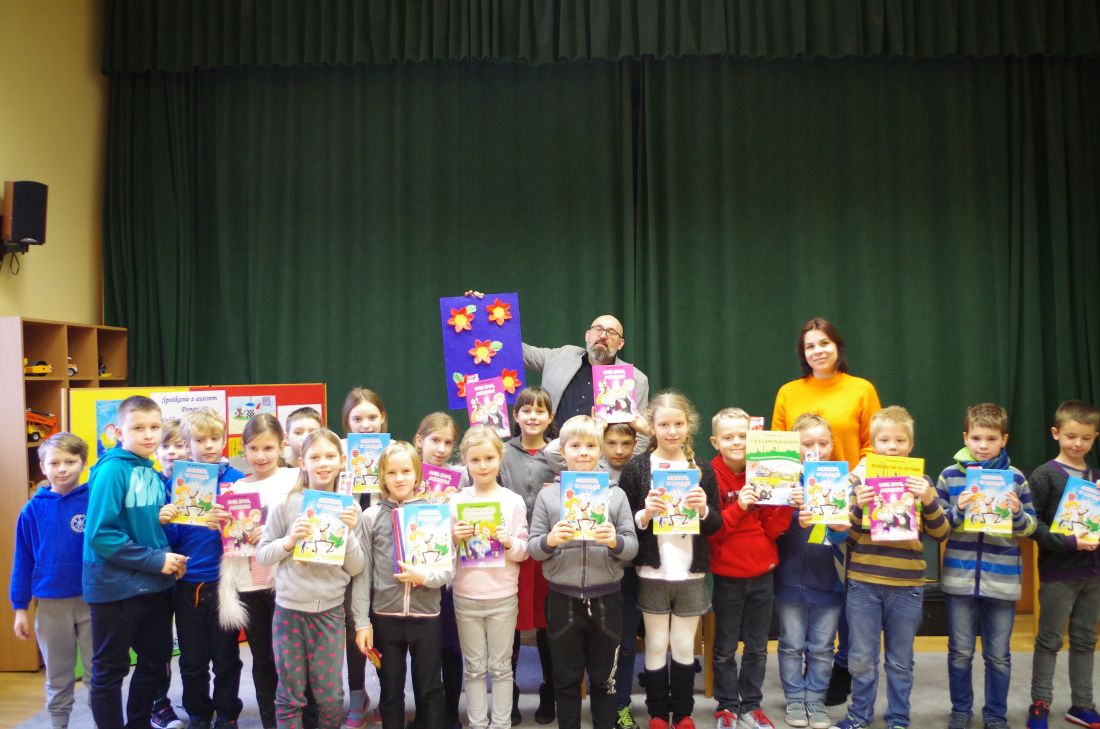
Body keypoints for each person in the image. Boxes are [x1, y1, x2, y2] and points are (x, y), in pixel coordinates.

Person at [772, 317, 881, 706]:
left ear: (837, 346)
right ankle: (808, 670)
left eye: (824, 343)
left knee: (848, 588)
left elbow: (874, 444)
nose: (817, 351)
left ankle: (843, 665)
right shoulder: (789, 392)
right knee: (809, 577)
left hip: (849, 497)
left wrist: (845, 484)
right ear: (802, 353)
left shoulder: (861, 389)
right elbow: (778, 449)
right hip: (800, 501)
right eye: (810, 346)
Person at [830, 406, 949, 729]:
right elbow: (848, 539)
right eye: (884, 441)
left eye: (900, 441)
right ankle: (859, 715)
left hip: (906, 585)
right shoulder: (861, 485)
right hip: (863, 582)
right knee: (861, 658)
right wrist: (858, 507)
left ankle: (898, 717)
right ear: (873, 445)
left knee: (900, 660)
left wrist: (928, 499)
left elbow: (941, 533)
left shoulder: (923, 483)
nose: (892, 447)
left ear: (910, 445)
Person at [83, 395, 188, 729]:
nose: (148, 434)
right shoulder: (112, 470)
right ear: (118, 432)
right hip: (116, 590)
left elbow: (141, 528)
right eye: (138, 428)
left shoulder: (152, 473)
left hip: (154, 586)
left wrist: (169, 556)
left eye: (155, 427)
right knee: (110, 670)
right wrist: (157, 559)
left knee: (155, 662)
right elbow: (100, 535)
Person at [619, 391, 722, 729]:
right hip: (653, 572)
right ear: (651, 427)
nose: (672, 431)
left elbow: (715, 524)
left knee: (682, 645)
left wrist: (702, 509)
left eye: (678, 424)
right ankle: (658, 714)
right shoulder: (637, 468)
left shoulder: (701, 469)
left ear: (689, 425)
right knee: (656, 643)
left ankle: (684, 713)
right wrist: (646, 513)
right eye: (664, 424)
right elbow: (625, 523)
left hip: (691, 574)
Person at [528, 415, 639, 729]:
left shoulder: (616, 495)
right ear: (562, 451)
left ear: (600, 450)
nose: (583, 452)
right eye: (575, 446)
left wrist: (614, 541)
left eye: (591, 445)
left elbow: (632, 547)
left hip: (607, 600)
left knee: (605, 681)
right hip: (562, 600)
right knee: (566, 680)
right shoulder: (549, 496)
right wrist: (551, 540)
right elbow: (534, 548)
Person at [935, 403, 1036, 729]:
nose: (982, 446)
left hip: (1002, 580)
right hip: (959, 579)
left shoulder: (1016, 478)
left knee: (999, 655)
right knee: (960, 652)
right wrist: (959, 510)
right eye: (976, 438)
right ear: (965, 437)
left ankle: (995, 715)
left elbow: (1030, 527)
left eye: (991, 439)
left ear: (1003, 440)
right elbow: (937, 527)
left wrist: (1017, 513)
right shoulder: (949, 476)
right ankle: (961, 712)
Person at [256, 428, 364, 728]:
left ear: (342, 461)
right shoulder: (286, 503)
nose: (323, 463)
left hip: (330, 614)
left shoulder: (350, 508)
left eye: (330, 456)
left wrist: (349, 533)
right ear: (302, 462)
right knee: (290, 696)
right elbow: (263, 555)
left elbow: (356, 567)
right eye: (315, 457)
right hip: (289, 612)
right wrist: (290, 540)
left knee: (331, 698)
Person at [209, 413, 304, 729]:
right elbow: (231, 537)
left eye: (268, 448)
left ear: (282, 445)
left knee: (293, 659)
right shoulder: (235, 488)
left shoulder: (295, 479)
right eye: (253, 448)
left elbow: (305, 524)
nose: (261, 456)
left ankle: (304, 719)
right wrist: (218, 523)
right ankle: (271, 721)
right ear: (243, 449)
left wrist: (271, 531)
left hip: (287, 582)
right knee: (263, 658)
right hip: (249, 583)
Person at [352, 441, 453, 729]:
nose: (399, 478)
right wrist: (362, 622)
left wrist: (425, 577)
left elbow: (447, 570)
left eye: (406, 471)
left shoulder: (434, 514)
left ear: (417, 474)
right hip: (385, 618)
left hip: (426, 617)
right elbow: (363, 575)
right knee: (391, 691)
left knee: (430, 689)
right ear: (382, 476)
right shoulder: (371, 517)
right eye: (392, 472)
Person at [157, 407, 246, 729]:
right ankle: (198, 713)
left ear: (224, 440)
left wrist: (228, 524)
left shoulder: (237, 482)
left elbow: (248, 535)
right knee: (193, 660)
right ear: (187, 444)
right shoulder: (175, 484)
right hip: (188, 585)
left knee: (226, 658)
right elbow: (170, 542)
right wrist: (166, 521)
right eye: (200, 440)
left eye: (215, 438)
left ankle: (227, 713)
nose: (209, 445)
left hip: (226, 583)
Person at [707, 407, 793, 729]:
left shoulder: (764, 470)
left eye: (743, 436)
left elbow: (773, 529)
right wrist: (740, 506)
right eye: (728, 437)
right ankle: (727, 707)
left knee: (757, 648)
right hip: (727, 576)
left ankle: (751, 706)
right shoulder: (709, 475)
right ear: (715, 442)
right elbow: (713, 531)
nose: (737, 442)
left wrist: (786, 502)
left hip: (762, 573)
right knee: (725, 648)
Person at [1025, 400, 1100, 729]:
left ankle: (1082, 704)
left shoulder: (1096, 477)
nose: (1077, 443)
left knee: (1085, 640)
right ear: (1056, 433)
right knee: (1049, 640)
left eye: (1086, 438)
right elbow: (1033, 526)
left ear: (1094, 438)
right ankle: (1040, 703)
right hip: (1058, 574)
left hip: (1093, 574)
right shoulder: (1045, 476)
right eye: (1071, 436)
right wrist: (1069, 542)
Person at [10, 433, 93, 729]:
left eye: (70, 461)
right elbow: (23, 560)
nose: (62, 469)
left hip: (93, 600)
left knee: (99, 672)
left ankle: (102, 719)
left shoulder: (95, 500)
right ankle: (59, 723)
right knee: (58, 675)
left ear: (83, 463)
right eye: (54, 463)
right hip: (50, 606)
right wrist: (20, 608)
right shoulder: (32, 510)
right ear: (42, 467)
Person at [451, 426, 529, 729]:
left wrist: (509, 542)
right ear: (465, 462)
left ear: (500, 458)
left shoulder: (513, 501)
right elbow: (442, 555)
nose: (482, 466)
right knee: (473, 669)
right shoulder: (455, 502)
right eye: (475, 460)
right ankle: (477, 724)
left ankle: (500, 724)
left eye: (489, 458)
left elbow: (523, 551)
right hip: (466, 596)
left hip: (503, 597)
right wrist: (453, 539)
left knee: (501, 668)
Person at [776, 415, 849, 729]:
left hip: (829, 582)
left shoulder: (843, 483)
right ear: (796, 448)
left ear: (832, 446)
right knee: (791, 645)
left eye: (823, 443)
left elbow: (844, 538)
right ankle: (794, 698)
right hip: (790, 580)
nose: (816, 449)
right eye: (808, 444)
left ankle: (816, 700)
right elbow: (775, 531)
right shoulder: (782, 483)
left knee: (822, 648)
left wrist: (840, 529)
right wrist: (794, 518)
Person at [499, 386, 561, 724]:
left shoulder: (559, 452)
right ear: (515, 415)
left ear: (550, 417)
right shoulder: (501, 451)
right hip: (512, 549)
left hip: (549, 550)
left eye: (540, 411)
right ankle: (508, 695)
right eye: (526, 410)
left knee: (548, 625)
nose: (533, 416)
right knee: (510, 624)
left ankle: (550, 690)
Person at [410, 412, 465, 729]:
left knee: (451, 648)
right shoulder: (406, 476)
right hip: (416, 577)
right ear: (420, 441)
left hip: (449, 578)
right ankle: (424, 715)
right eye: (435, 440)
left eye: (448, 442)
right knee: (422, 651)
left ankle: (450, 714)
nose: (442, 449)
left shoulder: (460, 480)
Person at [340, 387, 387, 728]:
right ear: (347, 422)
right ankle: (357, 696)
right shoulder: (338, 454)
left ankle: (388, 695)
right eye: (358, 418)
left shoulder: (394, 451)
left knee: (382, 628)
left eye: (372, 417)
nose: (366, 424)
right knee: (353, 626)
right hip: (348, 552)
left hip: (383, 551)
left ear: (383, 418)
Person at [150, 419, 191, 729]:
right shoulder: (148, 484)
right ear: (156, 451)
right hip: (157, 576)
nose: (172, 452)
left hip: (192, 577)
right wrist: (159, 519)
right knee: (160, 645)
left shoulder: (200, 482)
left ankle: (196, 700)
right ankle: (159, 703)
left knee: (193, 646)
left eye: (179, 445)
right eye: (166, 446)